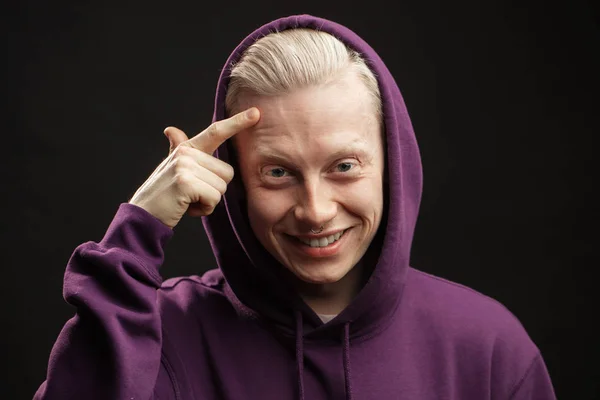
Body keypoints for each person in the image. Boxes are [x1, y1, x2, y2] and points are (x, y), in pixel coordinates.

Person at [34, 14, 556, 400]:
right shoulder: (165, 334)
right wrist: (137, 229)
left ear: (393, 163)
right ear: (236, 184)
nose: (315, 211)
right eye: (278, 173)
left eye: (344, 166)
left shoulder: (488, 348)